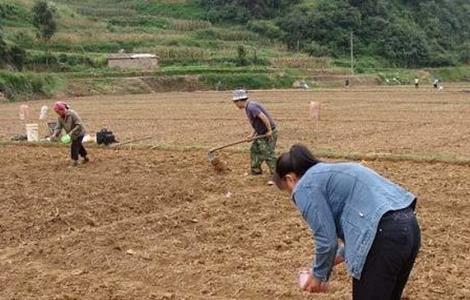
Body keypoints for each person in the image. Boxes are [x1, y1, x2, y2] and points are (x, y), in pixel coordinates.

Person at [273, 144, 420, 300]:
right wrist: (321, 268)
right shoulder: (331, 173)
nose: (294, 196)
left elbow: (326, 241)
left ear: (290, 179)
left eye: (288, 191)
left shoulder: (304, 186)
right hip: (408, 227)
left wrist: (318, 276)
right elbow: (358, 237)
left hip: (382, 237)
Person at [232, 89, 277, 183]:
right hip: (261, 133)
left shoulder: (251, 107)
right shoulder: (248, 107)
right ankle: (256, 171)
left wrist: (269, 130)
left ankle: (277, 177)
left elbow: (263, 117)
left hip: (268, 133)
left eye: (235, 102)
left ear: (239, 101)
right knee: (255, 150)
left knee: (268, 153)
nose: (235, 105)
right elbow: (257, 124)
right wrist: (251, 135)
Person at [51, 101, 89, 166]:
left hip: (80, 132)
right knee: (79, 146)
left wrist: (71, 132)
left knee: (74, 146)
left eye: (58, 112)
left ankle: (74, 161)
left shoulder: (72, 114)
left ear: (62, 109)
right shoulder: (60, 118)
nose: (57, 113)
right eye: (56, 112)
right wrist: (54, 134)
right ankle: (86, 157)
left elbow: (79, 125)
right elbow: (58, 127)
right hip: (72, 134)